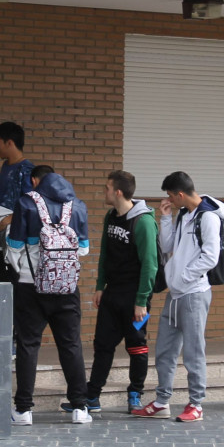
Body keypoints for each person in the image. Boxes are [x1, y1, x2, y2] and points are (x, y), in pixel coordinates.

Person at [132, 171, 224, 423]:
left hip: (194, 294)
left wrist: (183, 278)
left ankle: (196, 404)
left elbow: (210, 256)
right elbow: (168, 246)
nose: (169, 201)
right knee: (165, 350)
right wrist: (166, 217)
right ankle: (162, 401)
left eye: (171, 197)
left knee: (194, 351)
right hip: (175, 295)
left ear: (180, 194)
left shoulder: (208, 218)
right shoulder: (184, 213)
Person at [6, 165, 92, 425]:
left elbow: (15, 246)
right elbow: (84, 250)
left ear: (35, 182)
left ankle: (23, 410)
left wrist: (23, 270)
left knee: (28, 345)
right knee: (70, 345)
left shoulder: (26, 203)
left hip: (30, 287)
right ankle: (79, 408)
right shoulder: (77, 206)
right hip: (66, 288)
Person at [69, 170, 157, 415]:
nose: (104, 192)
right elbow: (105, 254)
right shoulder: (111, 216)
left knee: (137, 346)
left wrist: (142, 301)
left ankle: (135, 393)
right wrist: (99, 286)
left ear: (118, 191)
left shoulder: (144, 221)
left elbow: (150, 264)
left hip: (136, 297)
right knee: (103, 345)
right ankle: (92, 396)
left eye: (107, 188)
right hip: (112, 294)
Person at [0, 121, 35, 283]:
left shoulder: (27, 170)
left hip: (15, 235)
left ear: (10, 143)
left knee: (12, 279)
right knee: (0, 276)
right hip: (1, 231)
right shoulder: (6, 166)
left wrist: (9, 220)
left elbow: (32, 203)